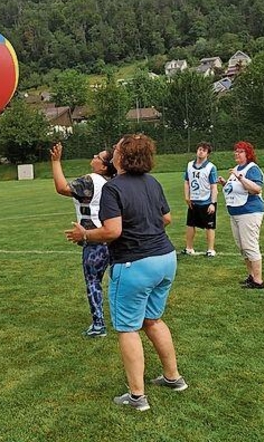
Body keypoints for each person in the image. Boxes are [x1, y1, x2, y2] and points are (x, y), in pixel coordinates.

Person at [65, 134, 187, 411]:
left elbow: (113, 231)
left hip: (135, 264)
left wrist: (84, 235)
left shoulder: (113, 188)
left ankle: (136, 396)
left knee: (128, 328)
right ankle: (173, 377)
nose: (114, 151)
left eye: (117, 148)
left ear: (122, 156)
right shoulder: (152, 183)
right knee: (153, 319)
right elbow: (166, 218)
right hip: (165, 259)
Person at [50, 142, 116, 338]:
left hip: (94, 239)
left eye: (98, 156)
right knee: (118, 280)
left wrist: (55, 162)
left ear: (103, 166)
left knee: (93, 282)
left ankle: (98, 325)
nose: (94, 155)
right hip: (114, 237)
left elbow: (62, 188)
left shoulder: (91, 180)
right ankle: (128, 318)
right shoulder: (114, 181)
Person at [218, 141, 264, 289]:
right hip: (236, 213)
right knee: (242, 247)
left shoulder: (252, 169)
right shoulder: (237, 169)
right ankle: (251, 276)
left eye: (240, 151)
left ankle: (258, 281)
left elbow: (256, 189)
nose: (236, 154)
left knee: (250, 245)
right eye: (236, 151)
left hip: (249, 211)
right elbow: (236, 189)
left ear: (248, 154)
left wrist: (240, 178)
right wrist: (225, 183)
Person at [183, 142, 218, 257]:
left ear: (208, 153)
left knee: (209, 226)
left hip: (206, 202)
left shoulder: (211, 167)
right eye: (199, 149)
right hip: (193, 201)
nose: (201, 151)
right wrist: (187, 196)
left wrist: (213, 203)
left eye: (204, 150)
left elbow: (213, 186)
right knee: (190, 224)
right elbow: (186, 182)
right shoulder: (189, 165)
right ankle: (189, 248)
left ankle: (210, 249)